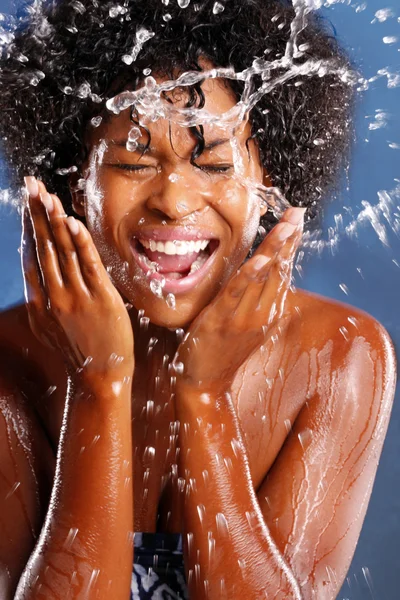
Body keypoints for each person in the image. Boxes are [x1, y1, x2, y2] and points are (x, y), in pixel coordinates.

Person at [0, 1, 396, 599]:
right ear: (72, 184)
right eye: (132, 161)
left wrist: (204, 399)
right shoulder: (9, 360)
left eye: (212, 162)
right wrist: (98, 386)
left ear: (270, 186)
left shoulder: (339, 357)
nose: (175, 200)